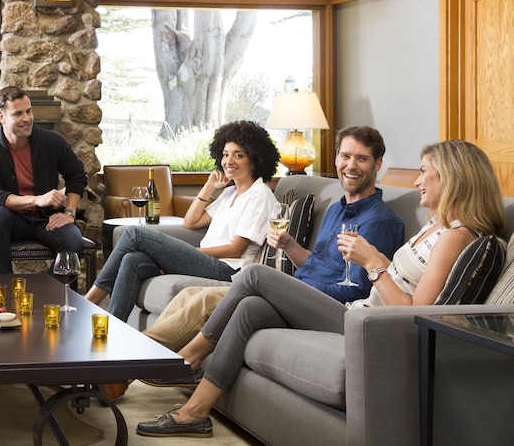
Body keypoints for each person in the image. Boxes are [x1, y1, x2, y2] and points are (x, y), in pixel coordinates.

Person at [137, 139, 505, 438]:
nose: (417, 181)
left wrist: (374, 265)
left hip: (372, 327)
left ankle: (186, 359)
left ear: (452, 178)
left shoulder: (457, 237)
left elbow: (415, 310)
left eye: (425, 173)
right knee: (250, 309)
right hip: (364, 314)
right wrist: (378, 260)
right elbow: (406, 279)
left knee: (254, 278)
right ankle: (194, 412)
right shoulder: (435, 227)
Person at [138, 125, 405, 384]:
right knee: (192, 294)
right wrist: (290, 245)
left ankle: (143, 360)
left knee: (220, 294)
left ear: (377, 164)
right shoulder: (338, 208)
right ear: (336, 158)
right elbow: (316, 263)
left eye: (362, 158)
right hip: (301, 291)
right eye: (345, 156)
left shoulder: (377, 222)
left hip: (324, 304)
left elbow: (355, 291)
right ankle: (143, 358)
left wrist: (294, 288)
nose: (351, 165)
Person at [84, 120, 280, 322]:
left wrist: (192, 253)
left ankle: (87, 303)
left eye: (239, 155)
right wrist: (208, 187)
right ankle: (114, 328)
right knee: (132, 260)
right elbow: (191, 223)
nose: (229, 161)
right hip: (209, 262)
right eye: (225, 154)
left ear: (256, 160)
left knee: (134, 234)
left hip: (229, 269)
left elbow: (235, 249)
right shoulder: (230, 193)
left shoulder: (259, 195)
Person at [0, 86, 88, 274]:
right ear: (2, 117)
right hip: (13, 219)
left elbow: (77, 176)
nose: (26, 119)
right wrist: (37, 199)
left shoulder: (52, 142)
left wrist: (69, 212)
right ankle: (6, 292)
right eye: (18, 113)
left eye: (29, 111)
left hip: (47, 219)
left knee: (73, 240)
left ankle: (50, 294)